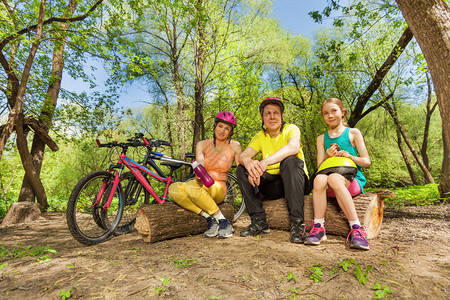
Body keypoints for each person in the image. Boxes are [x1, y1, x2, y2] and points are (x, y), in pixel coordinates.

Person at [236, 97, 309, 243]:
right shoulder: (260, 136)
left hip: (297, 181)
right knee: (241, 169)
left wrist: (264, 162)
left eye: (276, 113)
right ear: (262, 118)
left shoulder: (291, 129)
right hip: (274, 185)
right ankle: (259, 221)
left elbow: (293, 147)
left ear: (282, 117)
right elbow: (243, 155)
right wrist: (250, 164)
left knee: (290, 160)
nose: (272, 116)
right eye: (267, 113)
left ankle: (297, 224)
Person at [304, 98, 371, 250]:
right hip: (329, 184)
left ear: (342, 112)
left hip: (351, 181)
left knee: (334, 178)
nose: (330, 115)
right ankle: (319, 227)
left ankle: (357, 229)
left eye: (334, 111)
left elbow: (366, 161)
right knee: (320, 179)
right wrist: (328, 156)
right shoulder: (321, 138)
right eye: (325, 113)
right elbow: (320, 166)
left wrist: (350, 157)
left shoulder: (353, 133)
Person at [169, 111, 242, 239]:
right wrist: (199, 174)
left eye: (227, 128)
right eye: (220, 126)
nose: (222, 131)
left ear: (231, 132)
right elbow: (200, 163)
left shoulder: (235, 146)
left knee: (190, 187)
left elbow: (241, 168)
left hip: (218, 188)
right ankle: (210, 218)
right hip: (201, 184)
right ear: (214, 127)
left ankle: (224, 223)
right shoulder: (202, 145)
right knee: (173, 189)